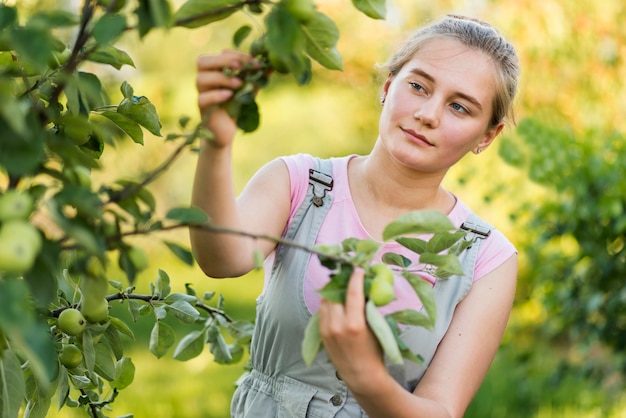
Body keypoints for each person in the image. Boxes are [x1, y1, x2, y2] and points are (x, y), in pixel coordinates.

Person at [191, 13, 520, 418]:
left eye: (459, 107)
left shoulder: (486, 258)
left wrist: (366, 378)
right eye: (418, 86)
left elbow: (441, 410)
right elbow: (221, 259)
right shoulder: (300, 184)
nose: (428, 114)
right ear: (387, 86)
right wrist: (216, 144)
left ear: (486, 136)